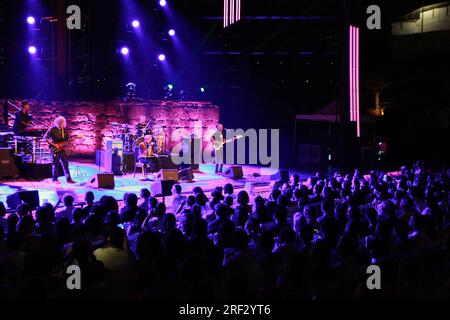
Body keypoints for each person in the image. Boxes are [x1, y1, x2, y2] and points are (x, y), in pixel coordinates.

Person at [43, 116, 75, 184]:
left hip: (62, 149)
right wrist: (54, 145)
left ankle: (69, 179)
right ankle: (55, 179)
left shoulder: (64, 130)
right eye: (62, 122)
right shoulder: (52, 129)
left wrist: (72, 140)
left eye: (63, 122)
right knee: (56, 164)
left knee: (65, 164)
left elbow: (67, 140)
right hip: (54, 149)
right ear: (58, 122)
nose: (63, 124)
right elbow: (45, 138)